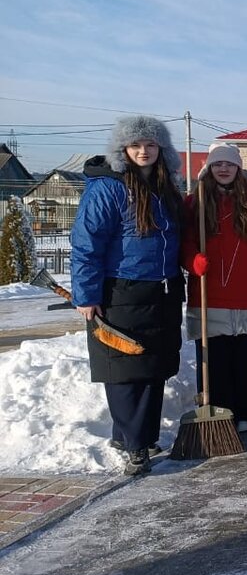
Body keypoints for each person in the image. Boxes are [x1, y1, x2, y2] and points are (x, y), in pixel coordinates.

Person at [71, 116, 185, 475]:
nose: (143, 151)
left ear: (161, 149)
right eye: (136, 145)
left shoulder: (166, 186)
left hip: (162, 288)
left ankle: (138, 436)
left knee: (154, 366)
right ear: (123, 149)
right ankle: (136, 446)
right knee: (125, 368)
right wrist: (87, 295)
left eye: (150, 145)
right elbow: (86, 245)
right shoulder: (109, 188)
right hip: (121, 289)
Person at [180, 143, 247, 432]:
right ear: (209, 168)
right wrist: (191, 259)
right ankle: (216, 412)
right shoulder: (194, 202)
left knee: (244, 361)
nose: (224, 169)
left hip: (246, 295)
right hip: (210, 297)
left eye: (230, 164)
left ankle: (245, 411)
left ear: (238, 168)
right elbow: (184, 240)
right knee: (214, 362)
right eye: (218, 164)